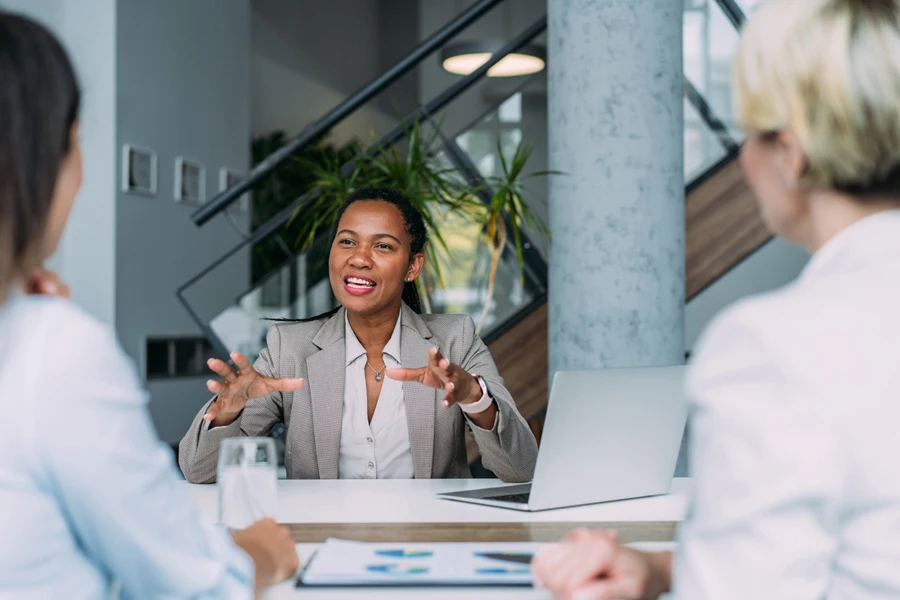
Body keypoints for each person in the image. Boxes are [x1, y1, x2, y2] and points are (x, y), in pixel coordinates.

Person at [533, 0, 900, 598]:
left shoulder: (771, 345)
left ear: (792, 153)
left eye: (747, 135)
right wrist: (658, 571)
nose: (745, 162)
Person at [0, 12, 298, 598]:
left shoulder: (452, 339)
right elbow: (193, 574)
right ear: (49, 157)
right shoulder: (52, 350)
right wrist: (260, 553)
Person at [179, 187, 538, 483]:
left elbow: (522, 469)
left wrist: (476, 398)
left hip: (426, 543)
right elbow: (198, 472)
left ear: (413, 266)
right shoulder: (289, 348)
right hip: (321, 544)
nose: (360, 259)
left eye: (382, 246)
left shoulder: (454, 340)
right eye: (347, 242)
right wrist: (226, 413)